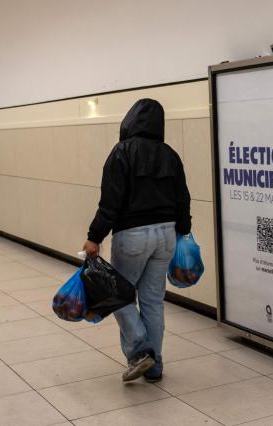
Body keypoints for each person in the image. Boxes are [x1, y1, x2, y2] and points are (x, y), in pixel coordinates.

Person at [82, 98, 191, 382]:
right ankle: (154, 367)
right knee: (153, 301)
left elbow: (110, 201)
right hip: (166, 235)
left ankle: (141, 350)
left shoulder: (122, 152)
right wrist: (183, 228)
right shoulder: (170, 155)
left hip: (132, 235)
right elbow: (183, 197)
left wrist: (95, 236)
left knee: (116, 294)